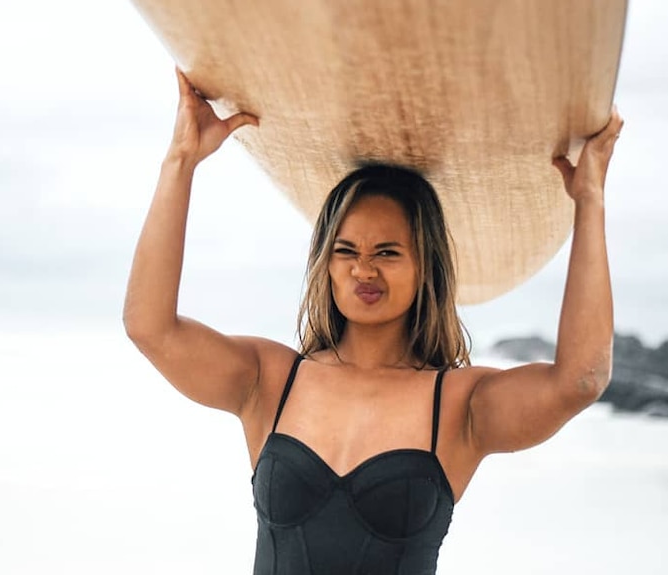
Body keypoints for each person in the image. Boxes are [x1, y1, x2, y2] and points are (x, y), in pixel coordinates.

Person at [123, 68, 624, 574]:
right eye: (346, 251)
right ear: (326, 261)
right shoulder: (270, 380)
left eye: (387, 252)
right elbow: (150, 327)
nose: (364, 269)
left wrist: (590, 201)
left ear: (424, 264)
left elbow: (581, 379)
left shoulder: (457, 406)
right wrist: (180, 161)